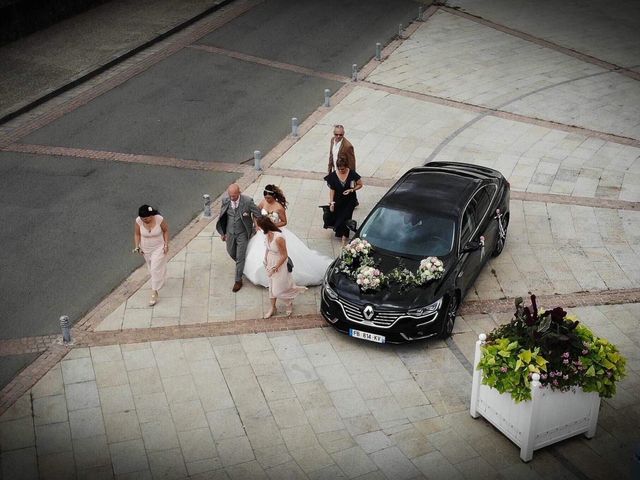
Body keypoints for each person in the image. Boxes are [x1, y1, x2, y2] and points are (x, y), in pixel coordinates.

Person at [244, 185, 332, 287]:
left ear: (274, 196)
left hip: (275, 231)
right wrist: (257, 224)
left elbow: (284, 222)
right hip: (263, 233)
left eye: (269, 198)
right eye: (266, 197)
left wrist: (272, 225)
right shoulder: (263, 202)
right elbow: (256, 213)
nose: (267, 200)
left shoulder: (279, 207)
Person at [257, 216, 306, 318]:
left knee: (278, 290)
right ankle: (272, 307)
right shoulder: (267, 235)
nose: (258, 228)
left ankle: (290, 301)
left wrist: (275, 268)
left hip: (279, 264)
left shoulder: (278, 237)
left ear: (264, 227)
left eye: (260, 226)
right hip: (270, 262)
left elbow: (284, 255)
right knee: (271, 286)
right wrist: (265, 259)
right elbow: (267, 248)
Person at [216, 183, 262, 292]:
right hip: (230, 232)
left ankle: (238, 280)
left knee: (240, 257)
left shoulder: (247, 201)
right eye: (231, 195)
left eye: (235, 196)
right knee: (231, 252)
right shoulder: (226, 201)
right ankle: (243, 266)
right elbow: (223, 217)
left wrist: (256, 225)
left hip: (243, 233)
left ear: (239, 192)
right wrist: (223, 233)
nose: (232, 198)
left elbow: (258, 214)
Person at [134, 205, 169, 306]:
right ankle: (161, 276)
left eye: (147, 218)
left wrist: (166, 244)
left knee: (154, 269)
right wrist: (137, 246)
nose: (145, 220)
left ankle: (154, 292)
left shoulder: (159, 219)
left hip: (159, 247)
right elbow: (137, 234)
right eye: (142, 219)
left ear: (151, 215)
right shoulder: (138, 221)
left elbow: (166, 230)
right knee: (151, 267)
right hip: (146, 248)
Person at [325, 157, 363, 246]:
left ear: (346, 167)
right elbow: (332, 189)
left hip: (350, 200)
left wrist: (352, 190)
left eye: (343, 169)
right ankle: (340, 232)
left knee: (346, 217)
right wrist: (331, 202)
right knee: (339, 216)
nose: (341, 170)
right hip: (338, 200)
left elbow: (360, 184)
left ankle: (345, 236)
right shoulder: (334, 175)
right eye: (339, 169)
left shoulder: (352, 174)